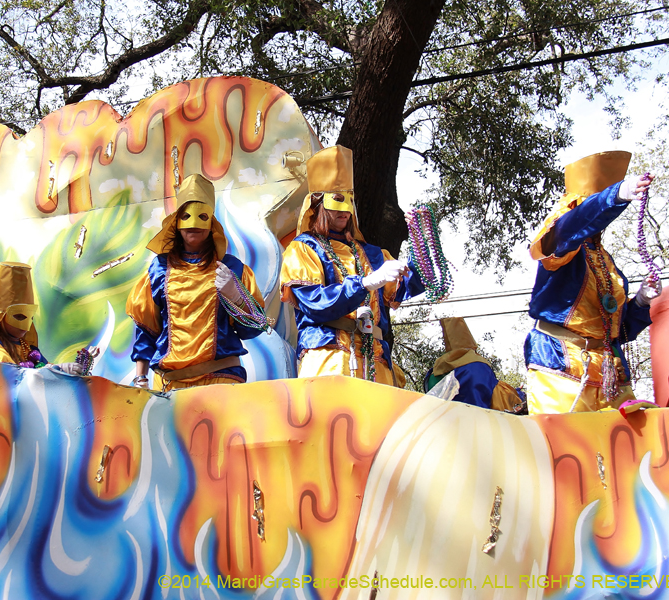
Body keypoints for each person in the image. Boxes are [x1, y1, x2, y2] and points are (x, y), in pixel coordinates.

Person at [525, 150, 659, 414]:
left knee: (630, 447)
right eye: (593, 205)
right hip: (560, 364)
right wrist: (615, 195)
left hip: (611, 373)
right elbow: (569, 227)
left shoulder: (606, 262)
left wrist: (641, 302)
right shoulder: (559, 244)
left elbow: (617, 331)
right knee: (567, 448)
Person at [279, 145, 424, 386]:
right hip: (329, 360)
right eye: (337, 199)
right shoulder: (303, 248)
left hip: (375, 363)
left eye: (349, 199)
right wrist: (366, 284)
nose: (345, 209)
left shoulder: (372, 254)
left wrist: (424, 252)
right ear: (318, 204)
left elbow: (403, 287)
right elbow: (315, 303)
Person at [126, 173, 265, 391]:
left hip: (221, 382)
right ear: (177, 221)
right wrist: (140, 378)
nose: (194, 224)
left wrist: (236, 297)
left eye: (202, 216)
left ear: (212, 222)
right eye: (187, 216)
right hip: (170, 386)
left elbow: (255, 327)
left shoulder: (232, 269)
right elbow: (146, 329)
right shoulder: (159, 269)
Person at [0, 261, 85, 374]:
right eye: (19, 316)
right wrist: (54, 370)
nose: (26, 324)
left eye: (31, 317)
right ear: (1, 317)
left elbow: (45, 371)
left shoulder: (28, 348)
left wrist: (69, 369)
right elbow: (9, 378)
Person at [424, 317, 522, 411]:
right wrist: (519, 394)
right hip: (481, 422)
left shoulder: (436, 373)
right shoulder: (479, 366)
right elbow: (497, 395)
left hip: (448, 425)